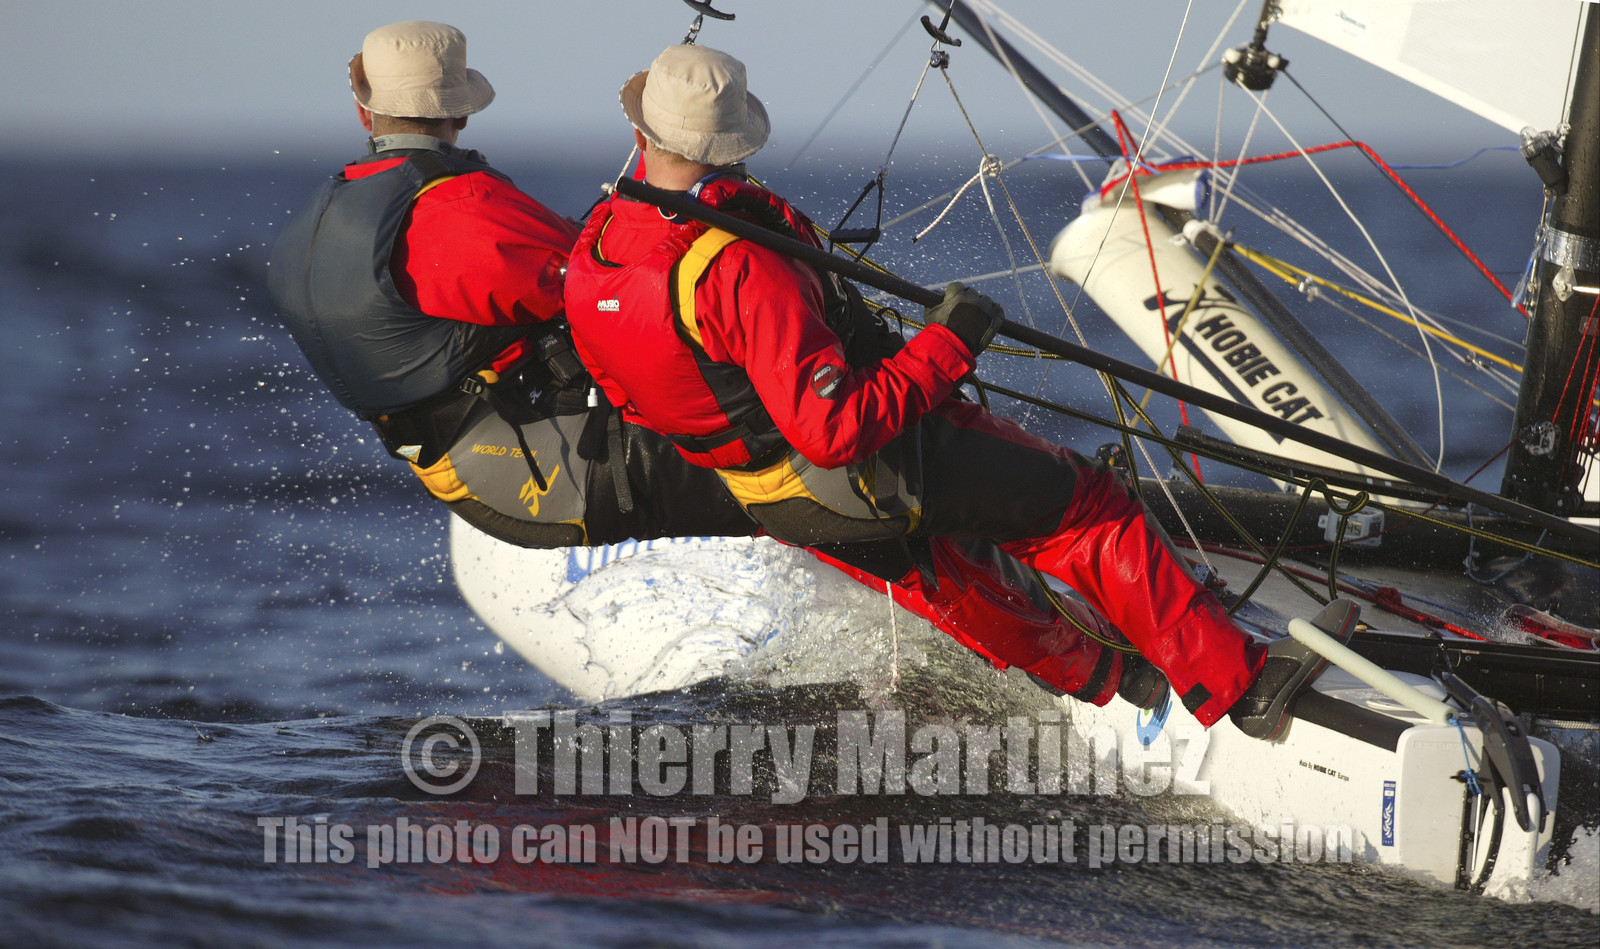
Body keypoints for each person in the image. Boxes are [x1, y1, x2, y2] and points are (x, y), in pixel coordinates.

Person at [265, 21, 1159, 708]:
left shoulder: (323, 213)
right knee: (846, 484)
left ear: (363, 110)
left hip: (467, 471)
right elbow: (603, 288)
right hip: (551, 475)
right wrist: (751, 284)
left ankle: (1024, 586)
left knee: (799, 457)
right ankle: (1086, 673)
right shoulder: (461, 212)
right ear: (459, 111)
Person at [564, 43, 1360, 739]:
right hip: (840, 472)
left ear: (641, 134)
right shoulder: (736, 265)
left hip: (760, 492)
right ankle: (1245, 688)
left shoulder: (596, 243)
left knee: (946, 559)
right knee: (1089, 504)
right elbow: (834, 429)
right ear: (732, 144)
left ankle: (1108, 678)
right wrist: (949, 342)